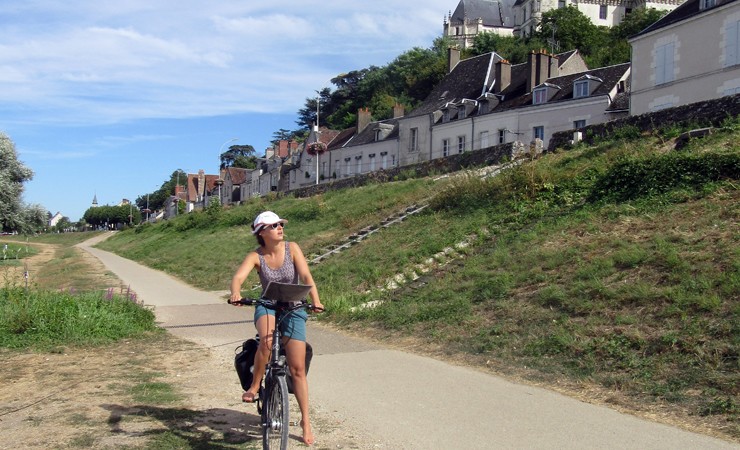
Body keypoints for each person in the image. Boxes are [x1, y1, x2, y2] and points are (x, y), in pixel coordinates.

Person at [230, 210, 324, 446]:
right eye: (273, 226)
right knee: (267, 341)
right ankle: (254, 386)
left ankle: (305, 421)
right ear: (261, 232)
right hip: (268, 305)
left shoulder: (293, 248)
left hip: (293, 305)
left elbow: (305, 275)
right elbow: (238, 277)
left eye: (280, 224)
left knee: (298, 368)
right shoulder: (256, 256)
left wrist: (316, 300)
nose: (280, 228)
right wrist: (236, 293)